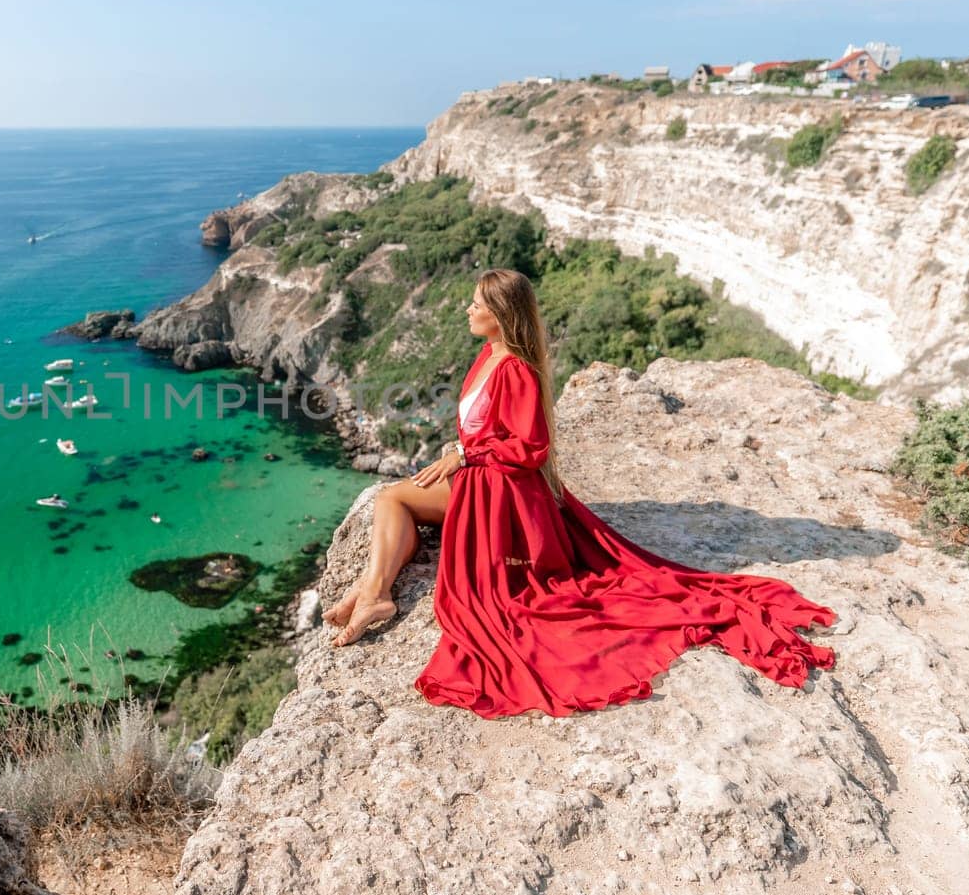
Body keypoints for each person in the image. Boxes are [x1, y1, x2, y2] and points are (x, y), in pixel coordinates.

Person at [323, 268, 836, 719]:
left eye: (477, 304)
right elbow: (486, 427)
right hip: (482, 481)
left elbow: (531, 447)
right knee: (393, 498)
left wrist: (466, 456)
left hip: (502, 496)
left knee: (393, 499)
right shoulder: (488, 354)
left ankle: (374, 594)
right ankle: (375, 589)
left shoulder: (516, 369)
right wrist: (462, 448)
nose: (467, 309)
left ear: (500, 315)